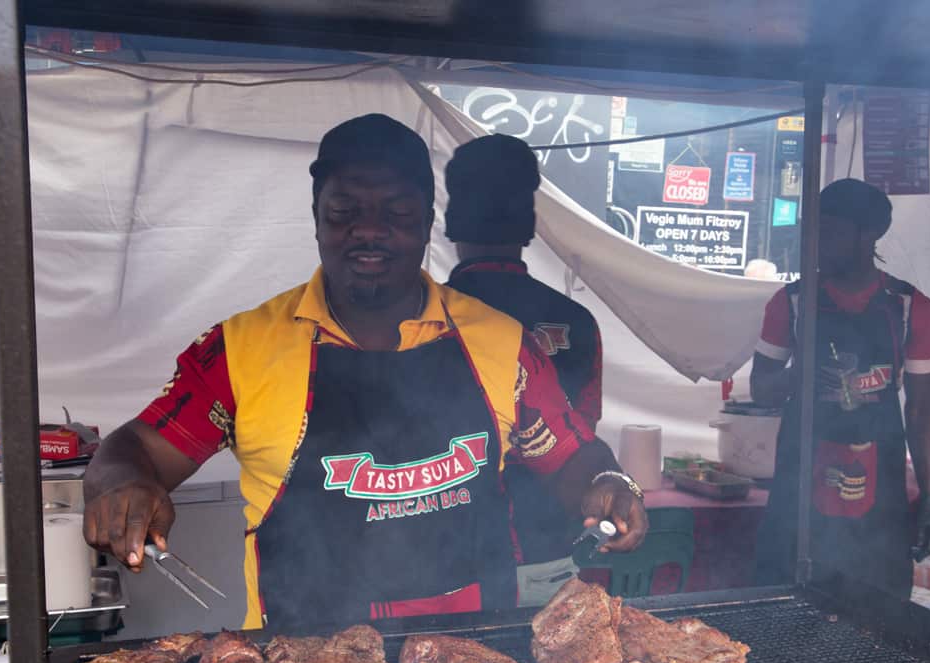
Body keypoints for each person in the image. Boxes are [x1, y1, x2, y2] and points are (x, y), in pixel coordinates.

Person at [81, 114, 647, 630]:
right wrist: (120, 484)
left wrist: (611, 484)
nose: (369, 230)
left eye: (396, 213)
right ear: (316, 218)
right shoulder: (240, 350)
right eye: (344, 212)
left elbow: (574, 457)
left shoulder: (503, 344)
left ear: (427, 222)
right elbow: (133, 449)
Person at [750, 178, 930, 597]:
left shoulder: (910, 308)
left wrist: (929, 497)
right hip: (799, 490)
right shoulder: (792, 303)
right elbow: (761, 388)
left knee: (878, 613)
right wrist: (797, 376)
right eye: (815, 231)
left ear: (867, 235)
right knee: (783, 604)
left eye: (831, 233)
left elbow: (922, 407)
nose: (818, 244)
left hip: (881, 495)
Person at [443, 134, 603, 592]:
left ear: (451, 220)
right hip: (549, 549)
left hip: (447, 561)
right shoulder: (579, 322)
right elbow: (581, 437)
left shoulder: (425, 319)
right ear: (529, 223)